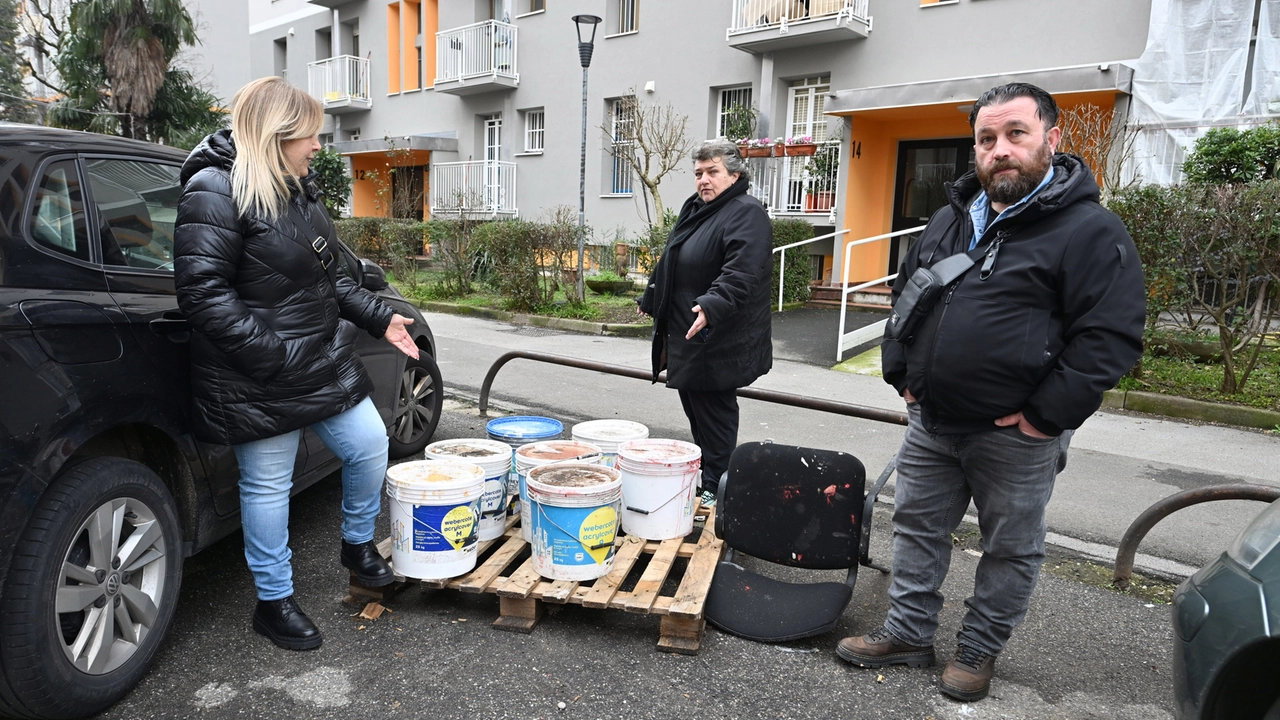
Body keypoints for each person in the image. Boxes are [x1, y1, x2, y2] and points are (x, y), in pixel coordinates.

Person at [836, 83, 1146, 701]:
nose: (998, 150)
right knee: (918, 528)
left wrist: (1042, 417)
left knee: (1009, 549)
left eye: (1015, 135)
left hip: (1015, 437)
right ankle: (908, 633)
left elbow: (1109, 338)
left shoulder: (1089, 230)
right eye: (986, 139)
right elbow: (908, 294)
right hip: (932, 421)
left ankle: (977, 652)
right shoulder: (953, 218)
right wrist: (903, 376)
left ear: (1051, 140)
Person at [174, 77, 420, 651]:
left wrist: (380, 318)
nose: (317, 147)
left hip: (320, 358)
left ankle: (358, 544)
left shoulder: (298, 189)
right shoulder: (214, 190)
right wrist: (272, 355)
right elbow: (203, 293)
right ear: (276, 135)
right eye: (310, 136)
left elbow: (332, 277)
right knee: (267, 486)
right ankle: (273, 601)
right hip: (256, 370)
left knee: (369, 445)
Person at [638, 139, 773, 506]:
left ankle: (721, 489)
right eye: (699, 173)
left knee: (714, 414)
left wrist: (712, 305)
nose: (704, 180)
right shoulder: (698, 208)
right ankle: (711, 481)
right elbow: (674, 254)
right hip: (689, 331)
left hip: (719, 337)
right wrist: (652, 296)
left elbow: (742, 272)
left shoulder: (746, 213)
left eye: (713, 172)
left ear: (734, 175)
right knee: (696, 409)